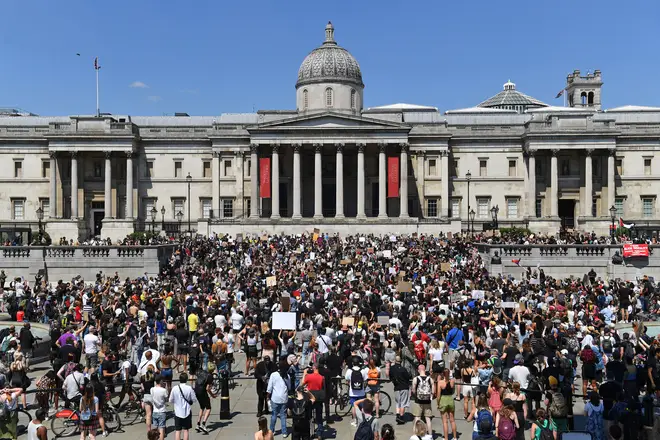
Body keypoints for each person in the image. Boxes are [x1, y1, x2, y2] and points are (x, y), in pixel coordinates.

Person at [169, 373, 197, 440]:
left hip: (177, 412)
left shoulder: (175, 388)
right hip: (186, 412)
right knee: (186, 430)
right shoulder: (189, 388)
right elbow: (194, 399)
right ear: (186, 379)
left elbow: (170, 400)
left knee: (178, 431)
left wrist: (176, 402)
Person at [267, 360, 290, 437]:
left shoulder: (273, 375)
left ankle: (271, 430)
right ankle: (284, 432)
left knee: (274, 415)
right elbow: (289, 387)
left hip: (275, 398)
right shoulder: (287, 376)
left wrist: (268, 397)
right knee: (283, 416)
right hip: (284, 398)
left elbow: (269, 388)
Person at [411, 363, 434, 437]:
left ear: (418, 370)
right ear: (424, 370)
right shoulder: (430, 379)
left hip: (418, 401)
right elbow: (433, 391)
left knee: (417, 418)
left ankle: (415, 435)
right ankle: (430, 435)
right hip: (427, 401)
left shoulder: (415, 379)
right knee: (428, 419)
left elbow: (413, 391)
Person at [194, 364, 216, 433]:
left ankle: (198, 424)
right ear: (213, 370)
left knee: (202, 407)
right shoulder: (210, 376)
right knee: (208, 408)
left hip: (196, 390)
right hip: (202, 391)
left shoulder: (202, 372)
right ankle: (203, 424)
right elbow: (207, 389)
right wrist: (213, 395)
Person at [345, 359, 368, 427]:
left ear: (352, 363)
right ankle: (363, 420)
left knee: (354, 406)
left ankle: (355, 421)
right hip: (361, 392)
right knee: (362, 407)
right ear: (359, 363)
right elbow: (365, 380)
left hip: (352, 393)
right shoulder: (363, 371)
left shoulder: (349, 371)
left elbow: (347, 380)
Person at [390, 356, 412, 425]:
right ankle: (401, 417)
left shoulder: (392, 368)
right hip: (404, 387)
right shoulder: (403, 369)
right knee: (403, 403)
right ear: (401, 361)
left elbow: (390, 376)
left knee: (397, 402)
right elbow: (408, 377)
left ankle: (397, 414)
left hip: (396, 387)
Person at [436, 369, 457, 440]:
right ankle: (455, 437)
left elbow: (438, 395)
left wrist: (437, 403)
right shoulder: (452, 381)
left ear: (443, 374)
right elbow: (453, 392)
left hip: (443, 400)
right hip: (450, 399)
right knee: (452, 420)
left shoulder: (440, 382)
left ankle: (446, 438)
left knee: (445, 422)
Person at [150, 375, 168, 440]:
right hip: (162, 411)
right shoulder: (163, 390)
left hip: (155, 411)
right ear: (160, 381)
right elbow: (166, 399)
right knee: (161, 429)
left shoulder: (152, 389)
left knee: (155, 429)